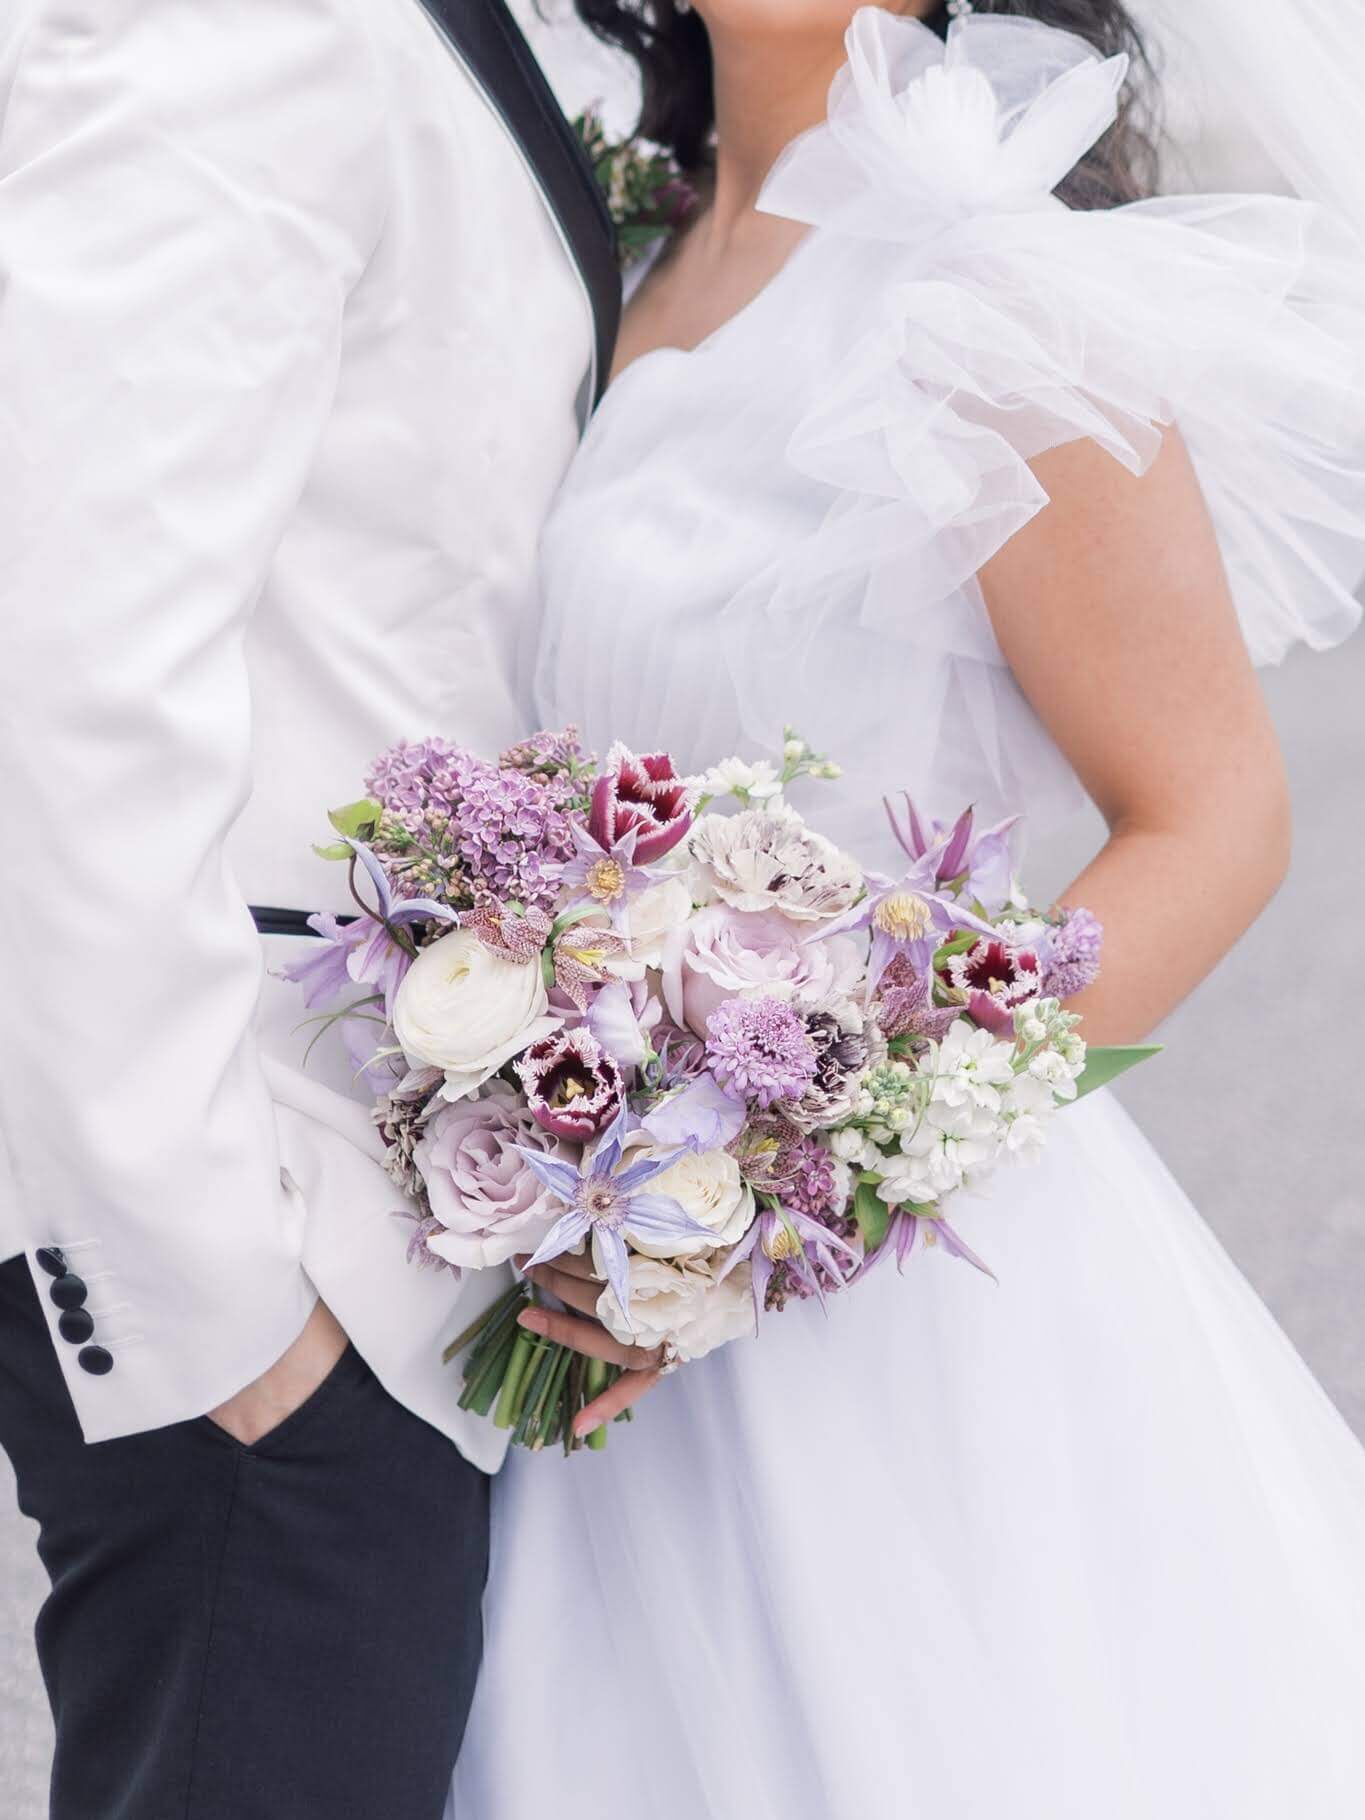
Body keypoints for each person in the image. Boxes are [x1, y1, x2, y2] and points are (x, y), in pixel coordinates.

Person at [452, 4, 1365, 1815]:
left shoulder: (979, 286)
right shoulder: (609, 248)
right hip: (582, 1255)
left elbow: (1208, 815)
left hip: (886, 1297)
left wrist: (797, 1198)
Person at [0, 3, 645, 1816]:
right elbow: (66, 670)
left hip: (355, 1237)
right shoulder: (251, 24)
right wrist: (222, 1317)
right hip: (262, 1236)